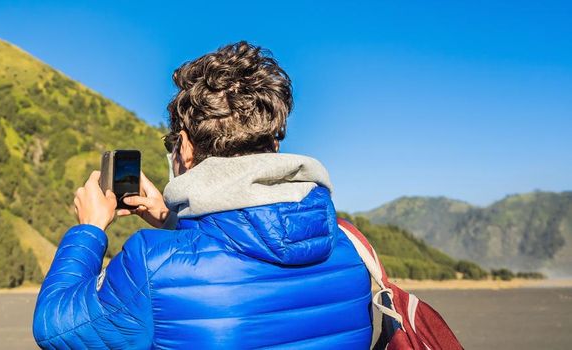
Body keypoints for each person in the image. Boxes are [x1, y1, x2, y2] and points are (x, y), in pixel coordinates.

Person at [32, 41, 372, 349]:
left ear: (187, 147)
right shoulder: (351, 248)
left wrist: (89, 230)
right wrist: (172, 221)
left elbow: (55, 326)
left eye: (172, 143)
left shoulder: (150, 261)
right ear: (274, 143)